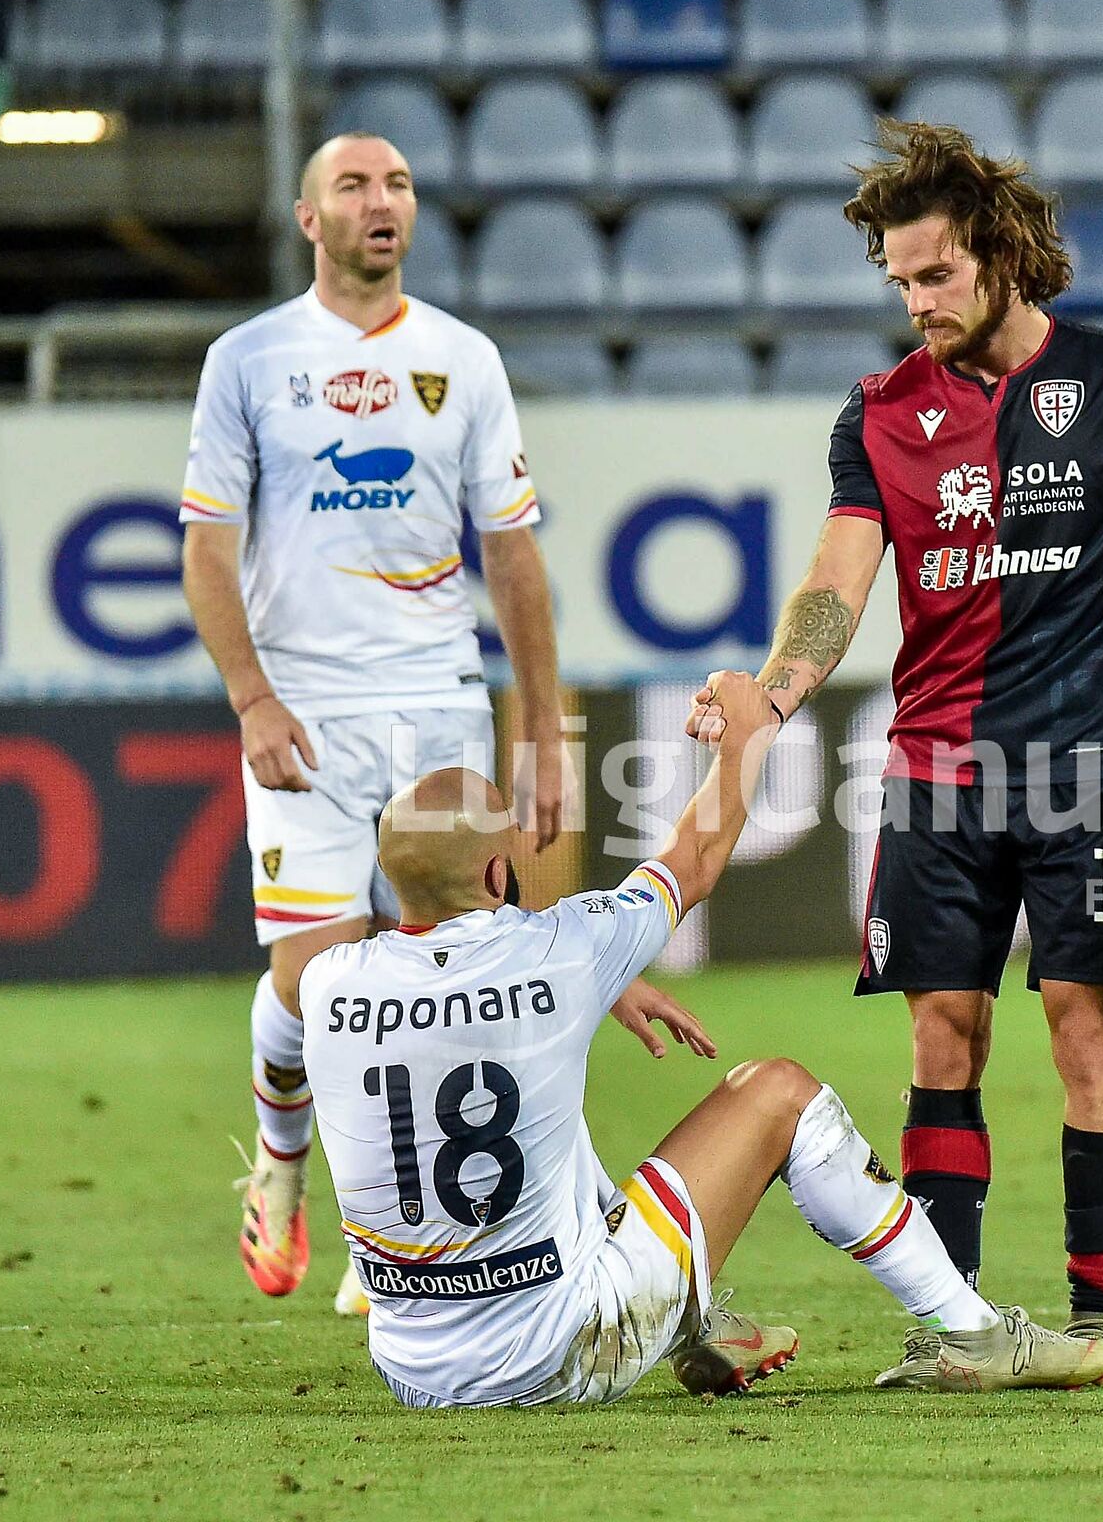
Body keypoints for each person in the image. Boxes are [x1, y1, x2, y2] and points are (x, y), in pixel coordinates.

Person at [704, 120, 1103, 1387]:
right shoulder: (880, 414)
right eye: (898, 280)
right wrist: (774, 695)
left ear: (998, 255)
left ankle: (1096, 1322)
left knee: (1084, 1035)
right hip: (935, 775)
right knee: (944, 1039)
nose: (916, 301)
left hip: (1084, 778)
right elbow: (839, 577)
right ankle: (959, 1329)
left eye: (934, 274)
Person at [302, 672, 1103, 1408]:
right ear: (495, 876)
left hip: (412, 1366)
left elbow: (456, 992)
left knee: (538, 1110)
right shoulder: (561, 951)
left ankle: (698, 1327)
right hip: (561, 1351)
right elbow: (691, 859)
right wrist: (747, 740)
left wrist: (596, 986)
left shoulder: (328, 982)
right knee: (781, 1092)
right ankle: (973, 1331)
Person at [184, 132, 669, 1316]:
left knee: (463, 970)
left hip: (438, 702)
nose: (381, 201)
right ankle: (282, 1171)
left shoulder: (463, 357)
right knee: (310, 986)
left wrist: (543, 725)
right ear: (309, 218)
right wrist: (250, 696)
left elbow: (512, 554)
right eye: (353, 185)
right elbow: (206, 549)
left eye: (396, 183)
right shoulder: (248, 361)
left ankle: (387, 1236)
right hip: (304, 714)